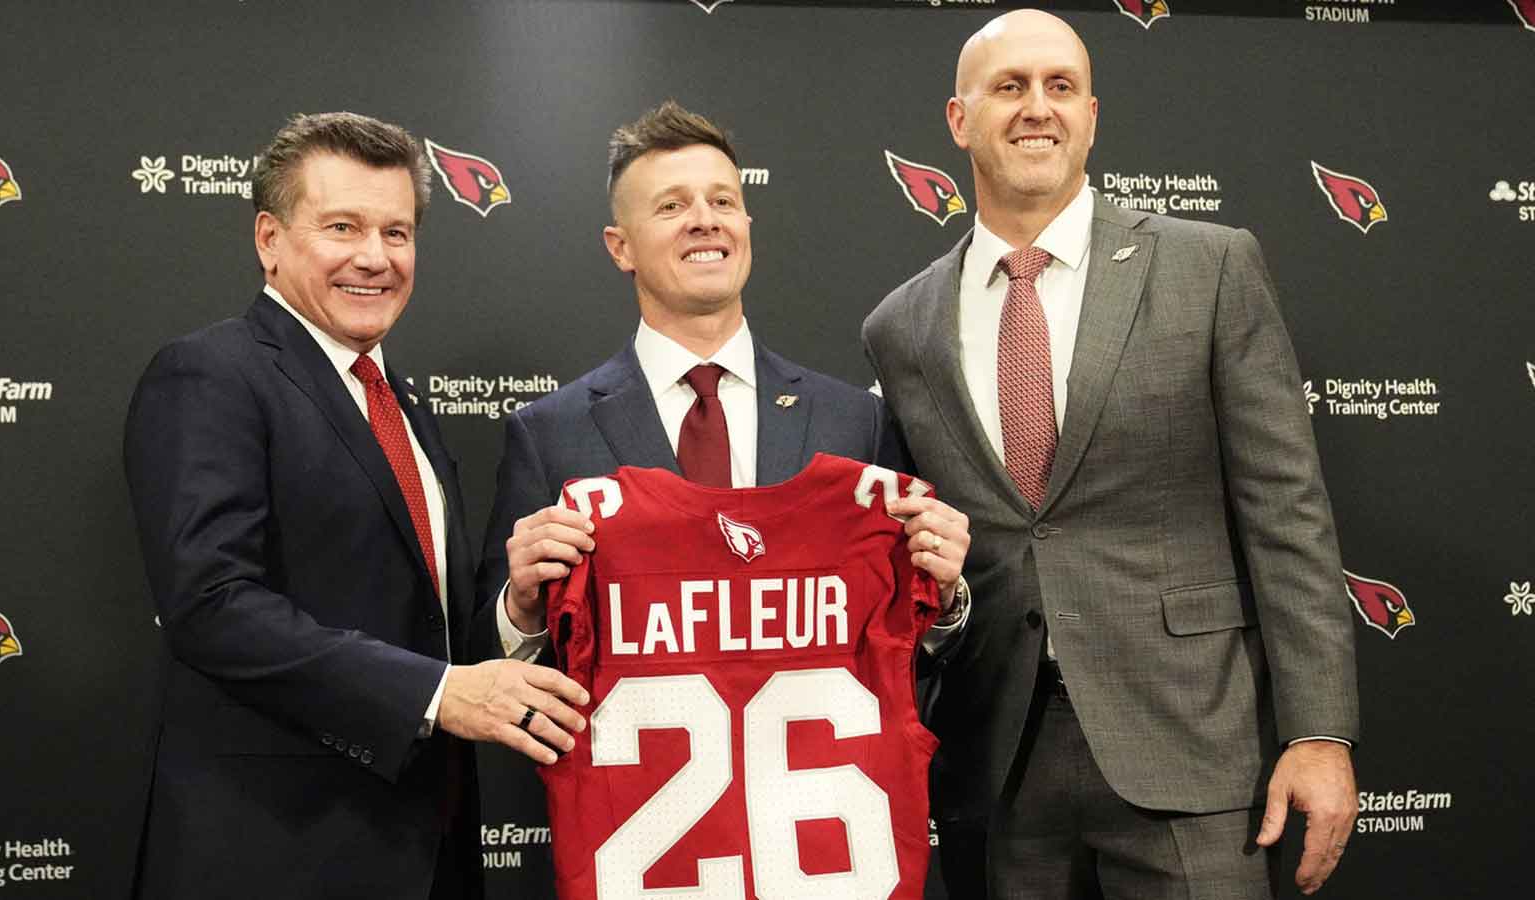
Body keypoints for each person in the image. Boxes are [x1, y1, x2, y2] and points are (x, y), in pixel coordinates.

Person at [862, 11, 1360, 899]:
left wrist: (1319, 732)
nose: (1036, 109)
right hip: (996, 763)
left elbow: (1287, 514)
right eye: (1009, 87)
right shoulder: (900, 327)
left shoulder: (1208, 267)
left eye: (1060, 87)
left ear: (1092, 114)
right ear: (958, 119)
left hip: (1191, 748)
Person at [123, 111, 588, 900]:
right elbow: (211, 604)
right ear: (269, 239)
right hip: (272, 856)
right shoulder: (210, 375)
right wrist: (440, 695)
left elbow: (426, 629)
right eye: (343, 227)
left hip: (424, 852)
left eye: (397, 233)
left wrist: (516, 605)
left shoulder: (399, 401)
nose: (375, 258)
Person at [473, 100, 971, 665]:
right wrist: (520, 609)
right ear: (621, 247)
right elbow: (493, 664)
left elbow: (912, 652)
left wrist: (947, 598)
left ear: (746, 226)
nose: (704, 219)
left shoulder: (855, 420)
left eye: (723, 200)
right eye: (671, 206)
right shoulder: (548, 435)